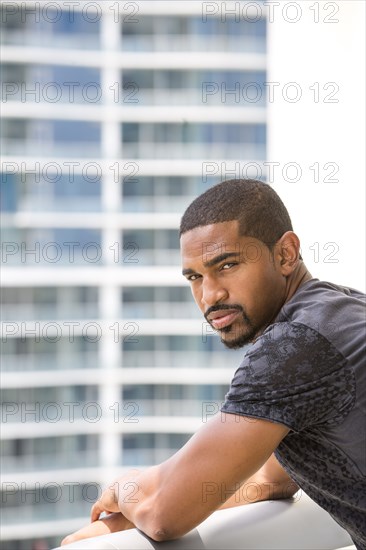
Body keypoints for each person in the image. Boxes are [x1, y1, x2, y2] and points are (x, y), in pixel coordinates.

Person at [61, 179, 365, 549]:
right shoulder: (343, 311)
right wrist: (156, 487)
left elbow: (163, 518)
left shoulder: (294, 346)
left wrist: (128, 490)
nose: (210, 295)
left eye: (228, 265)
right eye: (194, 277)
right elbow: (273, 478)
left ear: (286, 253)